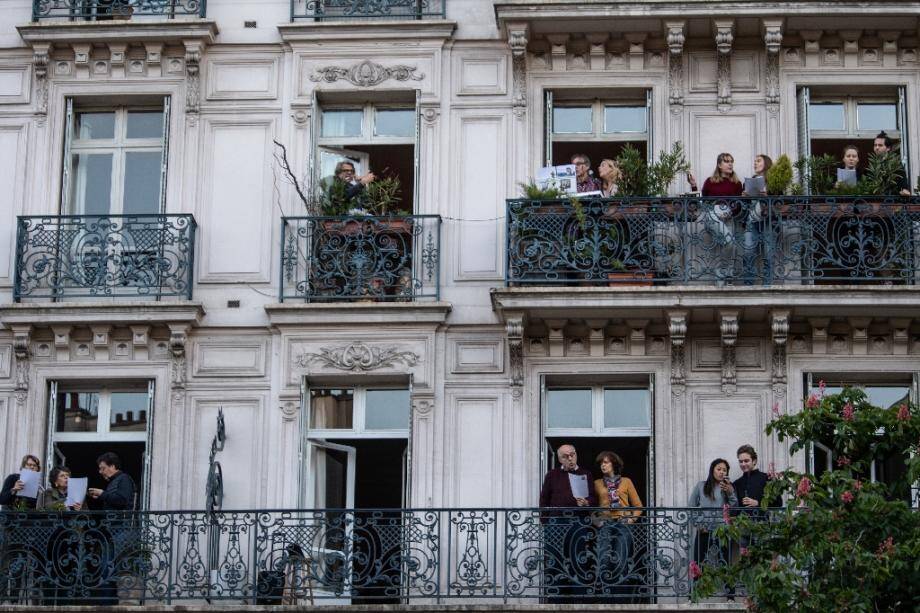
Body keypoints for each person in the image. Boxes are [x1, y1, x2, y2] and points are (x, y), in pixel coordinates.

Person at [539, 444, 597, 602]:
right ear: (559, 459)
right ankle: (555, 601)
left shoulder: (586, 473)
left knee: (579, 560)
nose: (570, 458)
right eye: (566, 456)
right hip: (556, 523)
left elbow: (594, 498)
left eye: (572, 454)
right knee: (554, 560)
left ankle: (580, 601)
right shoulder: (552, 475)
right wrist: (546, 522)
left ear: (576, 455)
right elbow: (544, 500)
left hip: (578, 523)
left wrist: (586, 503)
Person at [87, 453, 136, 605]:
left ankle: (106, 605)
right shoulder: (115, 481)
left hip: (122, 530)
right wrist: (102, 496)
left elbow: (122, 500)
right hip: (113, 531)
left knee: (107, 569)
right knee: (107, 569)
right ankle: (108, 603)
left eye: (103, 468)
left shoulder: (124, 479)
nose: (100, 472)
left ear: (113, 466)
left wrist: (103, 494)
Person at [593, 451, 642, 601]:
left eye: (606, 462)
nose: (603, 465)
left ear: (613, 464)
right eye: (601, 463)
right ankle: (605, 599)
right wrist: (596, 521)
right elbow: (591, 509)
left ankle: (621, 600)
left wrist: (631, 520)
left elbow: (638, 506)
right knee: (603, 562)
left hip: (623, 524)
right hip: (605, 524)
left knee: (621, 561)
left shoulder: (626, 481)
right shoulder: (596, 483)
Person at [688, 458, 738, 572]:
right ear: (712, 470)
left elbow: (734, 508)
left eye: (724, 470)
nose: (721, 472)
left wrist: (730, 492)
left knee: (725, 563)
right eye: (719, 469)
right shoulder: (701, 486)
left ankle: (729, 589)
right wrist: (699, 524)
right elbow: (691, 507)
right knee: (698, 562)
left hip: (722, 531)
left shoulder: (727, 487)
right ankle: (697, 589)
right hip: (704, 530)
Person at [873, 132, 911, 196]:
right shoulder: (873, 163)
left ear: (888, 148)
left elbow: (903, 180)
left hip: (891, 201)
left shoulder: (895, 163)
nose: (877, 147)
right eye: (875, 145)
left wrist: (905, 190)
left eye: (880, 145)